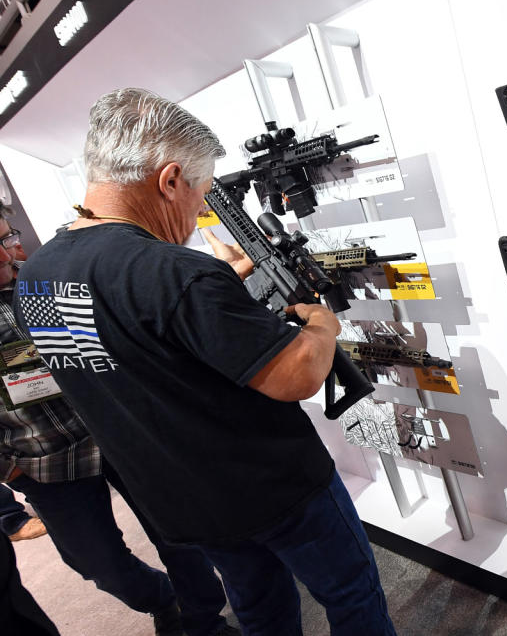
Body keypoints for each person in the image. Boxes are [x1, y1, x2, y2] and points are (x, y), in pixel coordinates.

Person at [14, 88, 396, 636]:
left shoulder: (39, 275)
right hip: (273, 486)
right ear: (170, 180)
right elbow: (299, 376)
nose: (201, 208)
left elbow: (120, 345)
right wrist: (322, 324)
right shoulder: (175, 271)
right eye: (202, 191)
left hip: (184, 501)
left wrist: (215, 297)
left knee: (260, 610)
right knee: (351, 593)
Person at [0, 208, 237, 636]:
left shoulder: (42, 277)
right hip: (43, 461)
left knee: (178, 536)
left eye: (7, 236)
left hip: (118, 429)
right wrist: (9, 469)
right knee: (97, 564)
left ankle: (203, 620)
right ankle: (162, 599)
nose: (9, 250)